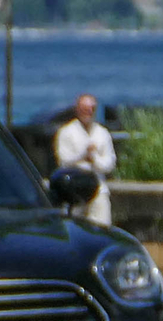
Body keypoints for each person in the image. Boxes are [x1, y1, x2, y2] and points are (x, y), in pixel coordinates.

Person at [52, 94, 116, 227]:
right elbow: (63, 161)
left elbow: (109, 163)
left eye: (92, 109)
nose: (89, 112)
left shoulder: (102, 133)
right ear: (77, 110)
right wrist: (82, 155)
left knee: (102, 228)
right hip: (74, 191)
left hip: (98, 189)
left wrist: (94, 159)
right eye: (85, 109)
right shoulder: (66, 132)